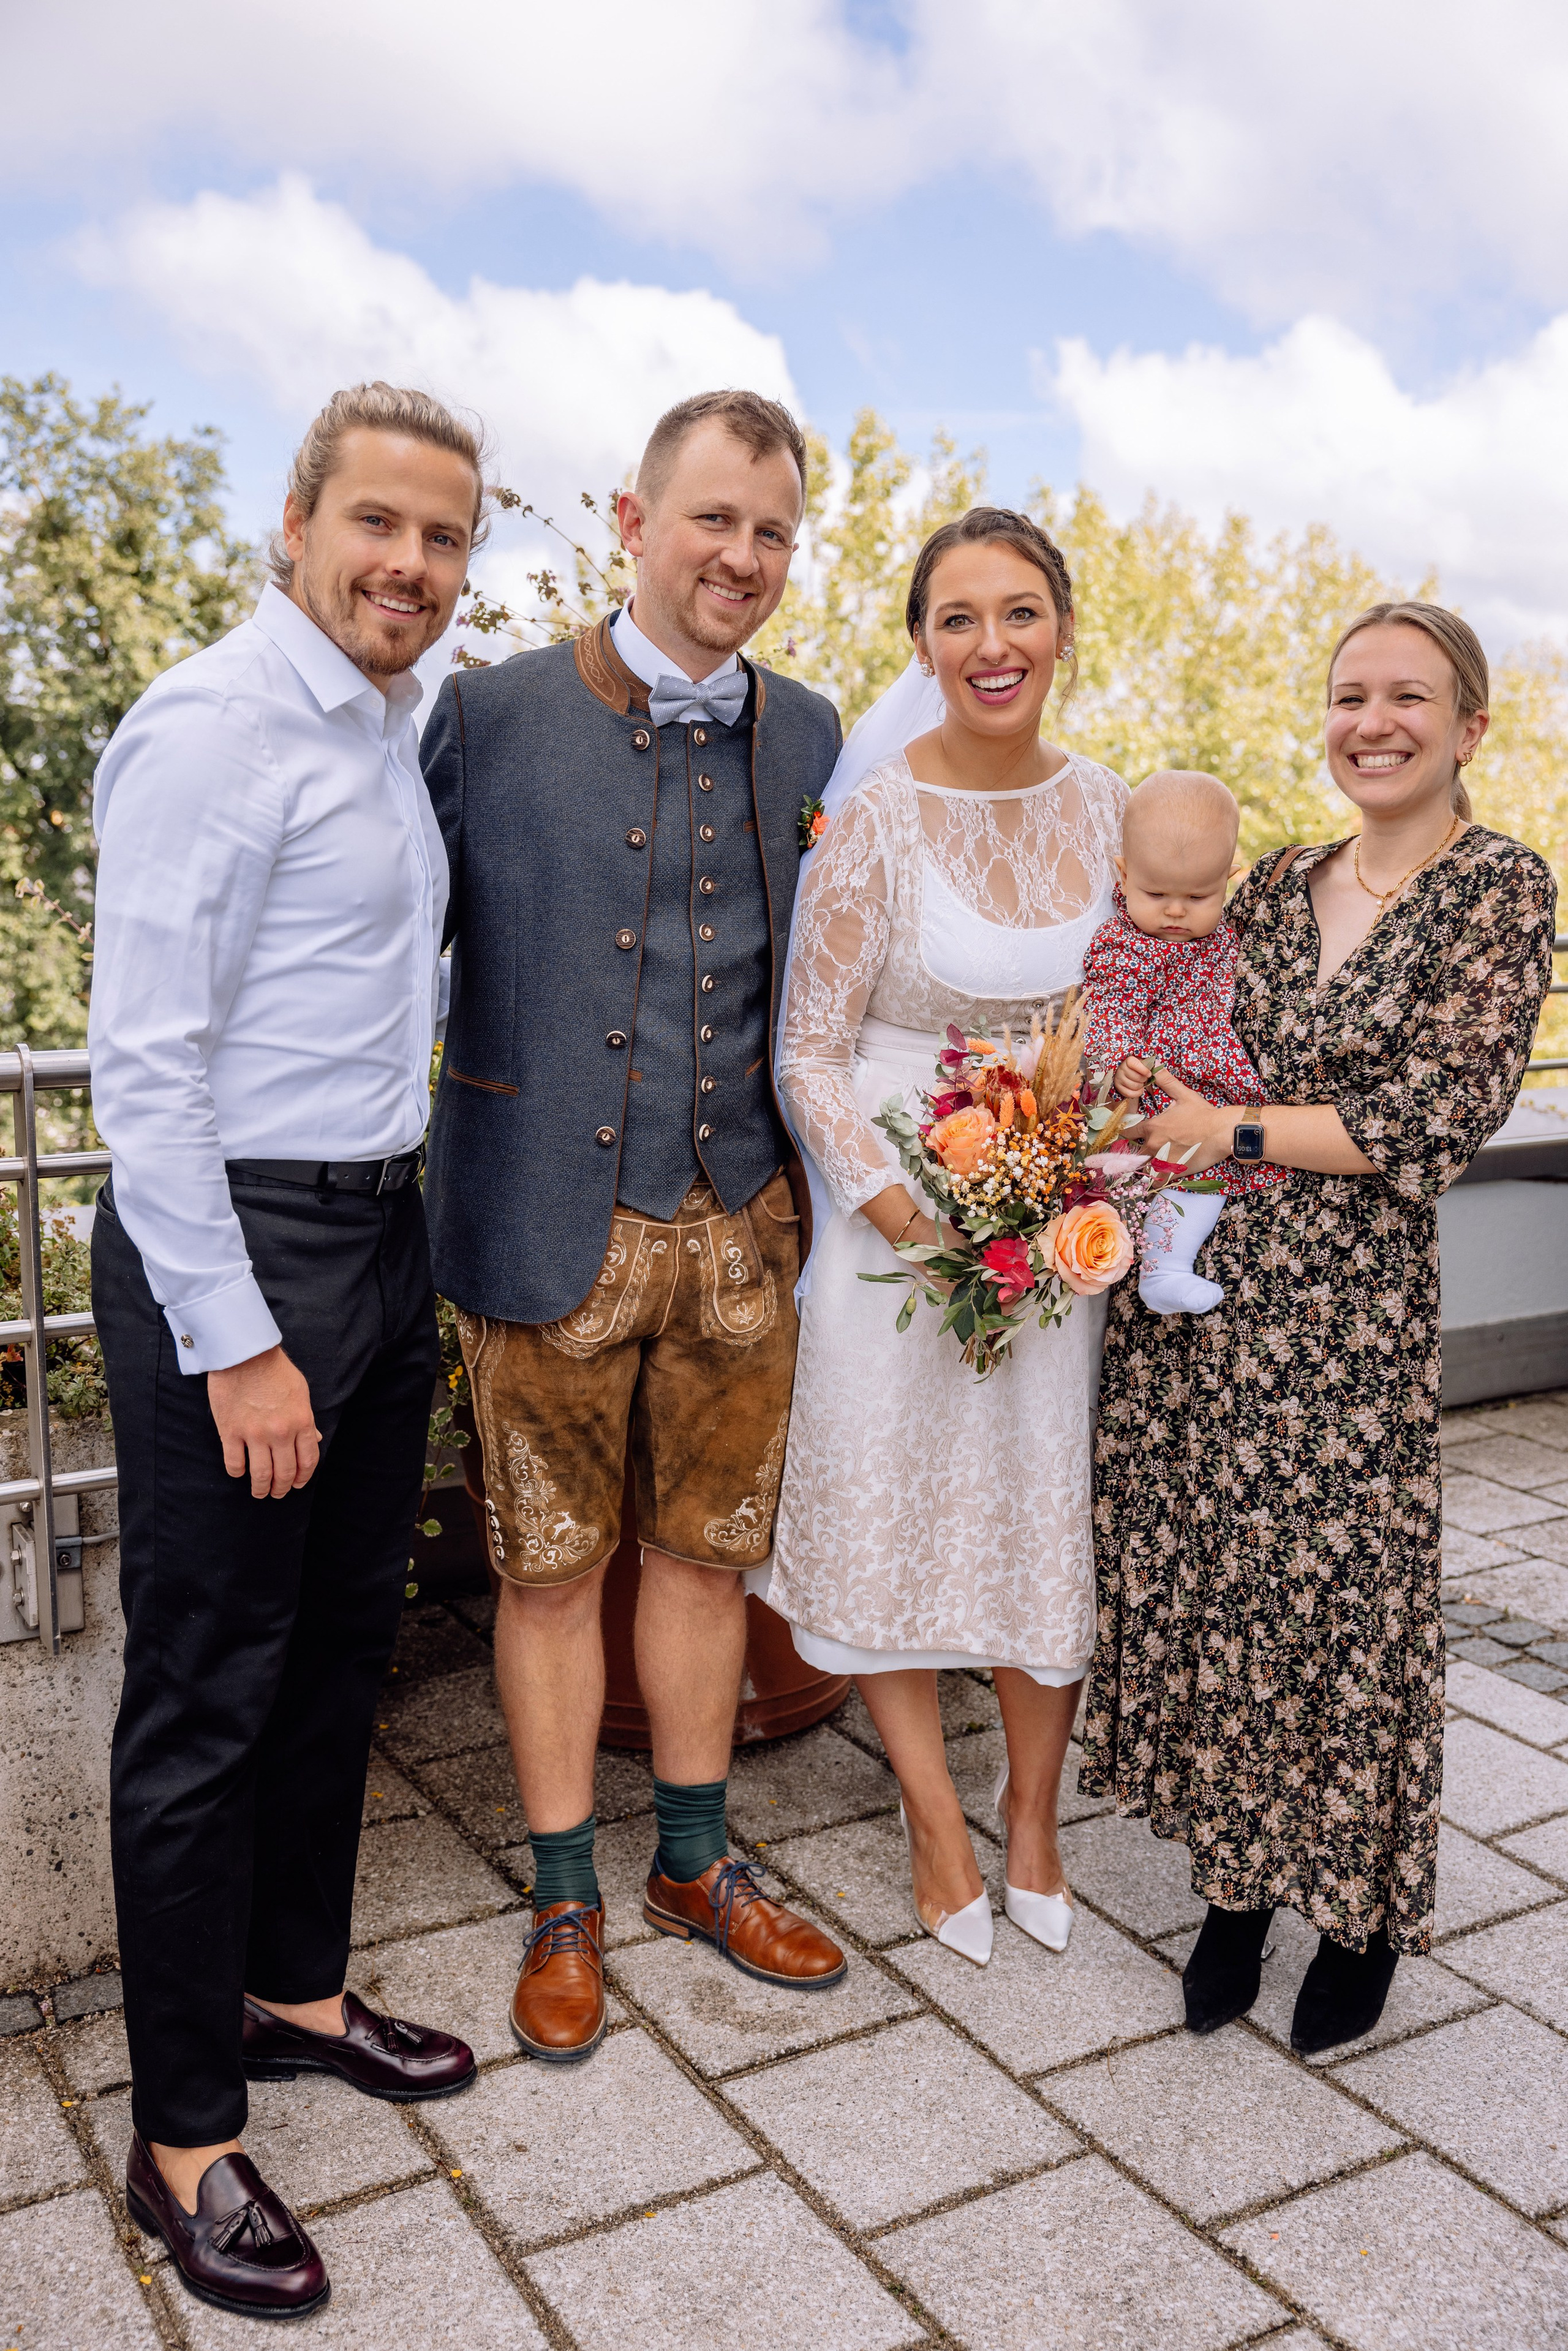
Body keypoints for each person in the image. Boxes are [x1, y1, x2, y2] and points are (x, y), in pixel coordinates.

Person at [89, 384, 483, 2323]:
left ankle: (294, 1985)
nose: (410, 563)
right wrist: (237, 1342)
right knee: (206, 1696)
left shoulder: (395, 722)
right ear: (301, 521)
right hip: (237, 1253)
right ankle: (178, 2135)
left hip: (378, 1230)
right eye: (380, 524)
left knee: (342, 1646)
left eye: (444, 536)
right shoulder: (217, 727)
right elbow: (143, 1072)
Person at [420, 390, 847, 2066]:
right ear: (632, 517)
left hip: (743, 1226)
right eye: (714, 519)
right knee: (543, 1579)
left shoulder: (813, 737)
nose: (741, 555)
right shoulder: (488, 714)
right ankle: (560, 1894)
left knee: (706, 1561)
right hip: (542, 1220)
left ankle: (691, 1859)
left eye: (772, 531)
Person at [1083, 602, 1557, 2053]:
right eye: (1349, 694)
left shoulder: (1496, 891)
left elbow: (1427, 1118)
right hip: (1203, 1311)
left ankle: (1351, 1909)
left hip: (1343, 1330)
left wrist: (1218, 1123)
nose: (1371, 720)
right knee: (1225, 1601)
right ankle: (1236, 1886)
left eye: (1406, 697)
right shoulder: (1274, 879)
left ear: (1466, 727)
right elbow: (1135, 959)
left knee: (1344, 1617)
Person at [768, 507, 1129, 1965]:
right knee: (891, 1502)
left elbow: (1136, 1016)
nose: (992, 644)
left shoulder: (1109, 807)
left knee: (1038, 1504)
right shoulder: (874, 823)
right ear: (921, 646)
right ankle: (929, 1812)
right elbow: (806, 1048)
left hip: (1056, 1226)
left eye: (1019, 611)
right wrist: (909, 1213)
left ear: (1059, 628)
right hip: (894, 1224)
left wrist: (1072, 1183)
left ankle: (1030, 1812)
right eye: (958, 618)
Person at [1081, 768, 1287, 1316]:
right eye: (1156, 893)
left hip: (1214, 1087)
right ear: (1122, 876)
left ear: (1230, 881)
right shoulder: (1123, 943)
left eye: (1199, 895)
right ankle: (1162, 1268)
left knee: (1209, 1174)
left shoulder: (1224, 937)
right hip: (1153, 1082)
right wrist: (1118, 1064)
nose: (1176, 911)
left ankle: (1169, 1265)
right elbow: (1109, 1008)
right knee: (1164, 1168)